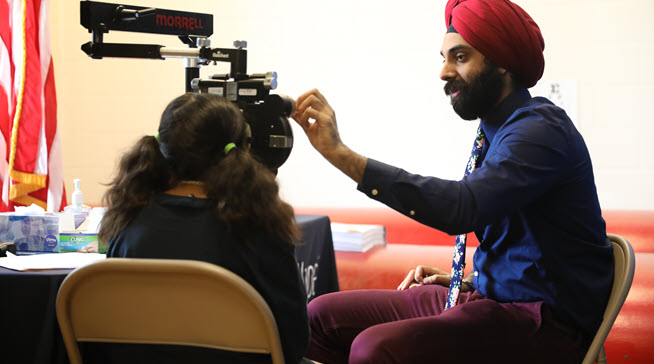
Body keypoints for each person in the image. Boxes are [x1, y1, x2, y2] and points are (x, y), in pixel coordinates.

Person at [291, 0, 613, 363]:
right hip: (492, 298)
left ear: (501, 61)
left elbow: (463, 208)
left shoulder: (540, 130)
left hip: (540, 322)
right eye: (444, 58)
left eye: (459, 57)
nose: (443, 72)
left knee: (373, 348)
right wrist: (472, 279)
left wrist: (340, 154)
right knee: (318, 316)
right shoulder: (495, 133)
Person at [96, 92, 310, 364]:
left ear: (163, 147)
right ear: (242, 148)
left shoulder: (127, 221)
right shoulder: (260, 227)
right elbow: (293, 340)